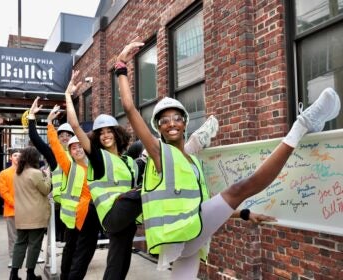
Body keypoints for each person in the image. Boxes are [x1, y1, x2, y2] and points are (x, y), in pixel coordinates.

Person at [115, 40, 341, 279]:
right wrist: (121, 66)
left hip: (188, 239)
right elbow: (129, 108)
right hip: (181, 234)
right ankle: (302, 125)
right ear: (158, 129)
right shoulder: (159, 153)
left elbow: (204, 204)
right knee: (239, 189)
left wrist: (242, 214)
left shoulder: (193, 163)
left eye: (176, 118)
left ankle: (304, 126)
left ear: (185, 123)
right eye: (164, 121)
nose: (171, 123)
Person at [65, 70, 142, 280]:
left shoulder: (127, 162)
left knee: (119, 264)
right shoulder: (98, 157)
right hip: (112, 215)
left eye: (109, 131)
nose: (105, 135)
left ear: (116, 133)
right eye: (101, 133)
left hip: (127, 219)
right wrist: (68, 96)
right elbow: (74, 126)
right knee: (147, 191)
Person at [46, 105, 101, 280]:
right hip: (76, 217)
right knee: (80, 254)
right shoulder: (69, 166)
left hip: (90, 216)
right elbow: (55, 146)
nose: (77, 150)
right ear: (69, 152)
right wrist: (49, 124)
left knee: (81, 253)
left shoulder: (95, 165)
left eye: (80, 147)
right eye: (73, 148)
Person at [28, 97, 74, 247]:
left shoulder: (81, 154)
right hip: (60, 204)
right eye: (61, 135)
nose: (65, 138)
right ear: (57, 138)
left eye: (68, 135)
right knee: (59, 241)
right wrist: (31, 117)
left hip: (79, 202)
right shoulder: (53, 156)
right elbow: (36, 139)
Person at [9, 147, 51, 280]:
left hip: (21, 215)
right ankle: (30, 274)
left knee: (20, 243)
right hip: (36, 214)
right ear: (34, 158)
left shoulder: (17, 173)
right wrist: (47, 176)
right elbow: (46, 189)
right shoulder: (35, 173)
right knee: (34, 244)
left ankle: (14, 274)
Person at [0, 148, 21, 268]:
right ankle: (13, 258)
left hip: (27, 210)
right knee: (13, 236)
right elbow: (3, 192)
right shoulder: (4, 173)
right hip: (11, 210)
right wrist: (15, 204)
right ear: (11, 157)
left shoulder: (26, 172)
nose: (18, 157)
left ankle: (33, 256)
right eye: (15, 155)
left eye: (20, 155)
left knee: (28, 235)